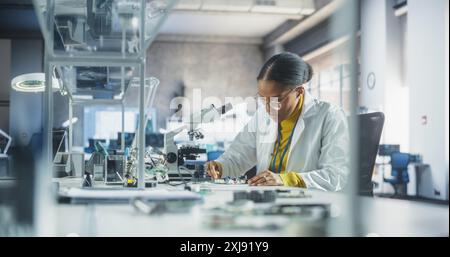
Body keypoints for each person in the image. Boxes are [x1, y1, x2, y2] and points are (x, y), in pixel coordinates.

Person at [206, 52, 350, 191]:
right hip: (268, 201)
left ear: (299, 91)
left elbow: (336, 175)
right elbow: (238, 157)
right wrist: (220, 166)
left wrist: (286, 180)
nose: (269, 108)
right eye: (263, 99)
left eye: (277, 100)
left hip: (308, 205)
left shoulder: (329, 115)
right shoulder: (262, 115)